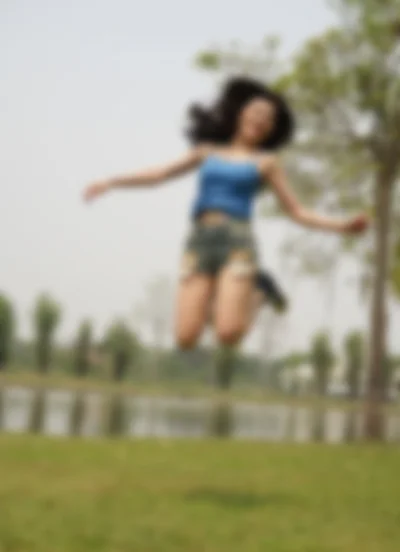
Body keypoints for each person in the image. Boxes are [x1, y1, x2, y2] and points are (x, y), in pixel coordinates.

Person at [84, 77, 368, 352]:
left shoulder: (266, 162)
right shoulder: (207, 151)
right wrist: (111, 182)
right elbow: (159, 174)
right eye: (256, 111)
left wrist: (342, 226)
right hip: (199, 242)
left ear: (270, 129)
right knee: (185, 338)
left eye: (268, 118)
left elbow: (297, 211)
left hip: (237, 243)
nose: (261, 119)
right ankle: (231, 295)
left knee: (228, 334)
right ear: (241, 113)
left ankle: (260, 292)